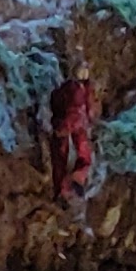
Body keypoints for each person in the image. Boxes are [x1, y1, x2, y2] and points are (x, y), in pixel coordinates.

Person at [48, 67, 98, 205]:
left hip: (61, 134)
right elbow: (77, 121)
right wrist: (64, 129)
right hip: (63, 127)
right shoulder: (81, 157)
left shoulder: (75, 166)